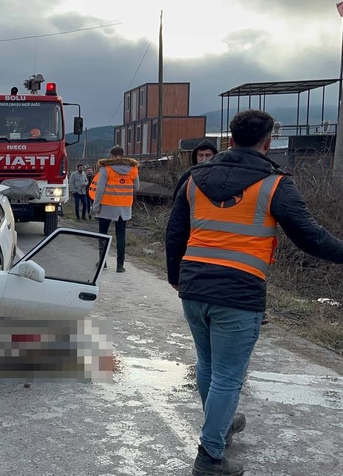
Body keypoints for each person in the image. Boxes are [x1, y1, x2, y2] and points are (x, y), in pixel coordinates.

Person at [165, 109, 343, 475]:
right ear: (267, 142)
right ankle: (210, 456)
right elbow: (311, 237)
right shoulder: (275, 184)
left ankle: (221, 424)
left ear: (230, 139)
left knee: (208, 365)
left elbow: (174, 233)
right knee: (228, 375)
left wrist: (176, 278)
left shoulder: (193, 178)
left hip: (194, 287)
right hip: (239, 291)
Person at [89, 146, 139, 273]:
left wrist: (96, 206)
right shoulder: (133, 169)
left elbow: (99, 189)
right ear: (123, 155)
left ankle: (102, 262)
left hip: (106, 206)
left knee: (103, 235)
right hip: (124, 208)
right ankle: (120, 265)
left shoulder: (106, 169)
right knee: (121, 236)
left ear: (111, 155)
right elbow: (136, 187)